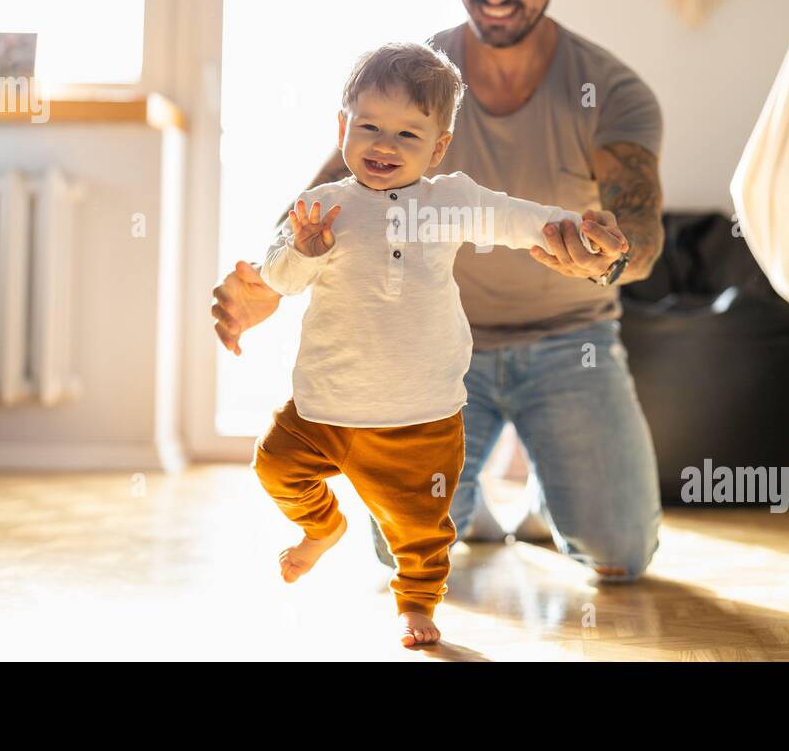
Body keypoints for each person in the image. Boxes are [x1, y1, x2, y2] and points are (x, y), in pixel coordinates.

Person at [215, 0, 665, 587]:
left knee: (620, 555)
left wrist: (606, 256)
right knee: (398, 553)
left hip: (570, 344)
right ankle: (475, 507)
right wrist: (269, 279)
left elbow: (641, 235)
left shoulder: (610, 91)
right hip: (424, 360)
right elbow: (321, 200)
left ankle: (556, 487)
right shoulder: (414, 81)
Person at [251, 41, 622, 647]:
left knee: (421, 527)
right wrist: (302, 252)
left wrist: (574, 227)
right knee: (274, 466)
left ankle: (417, 604)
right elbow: (278, 280)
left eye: (407, 135)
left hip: (419, 414)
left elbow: (515, 218)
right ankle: (322, 528)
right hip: (322, 408)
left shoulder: (448, 201)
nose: (384, 145)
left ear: (439, 147)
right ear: (343, 127)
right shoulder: (322, 208)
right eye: (369, 126)